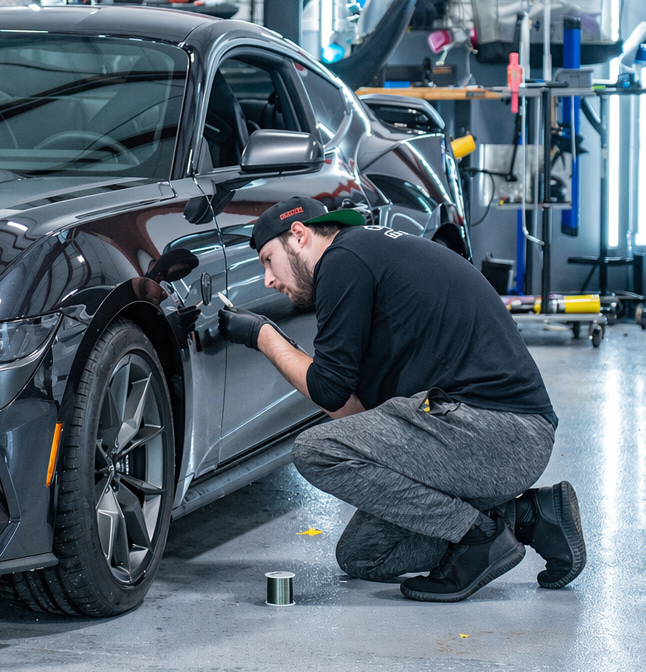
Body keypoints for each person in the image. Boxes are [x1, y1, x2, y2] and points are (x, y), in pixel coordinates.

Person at [216, 196, 586, 602]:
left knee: (314, 451)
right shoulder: (365, 253)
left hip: (499, 431)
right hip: (488, 434)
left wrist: (262, 336)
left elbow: (328, 390)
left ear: (299, 235)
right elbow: (354, 411)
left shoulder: (343, 260)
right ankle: (531, 517)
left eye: (269, 260)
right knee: (364, 556)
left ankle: (479, 536)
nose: (268, 279)